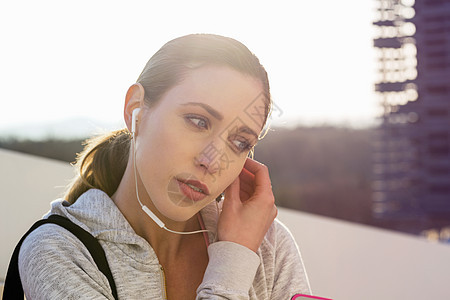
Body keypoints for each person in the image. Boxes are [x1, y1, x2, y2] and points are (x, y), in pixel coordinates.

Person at [18, 34, 311, 299]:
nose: (211, 161)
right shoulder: (59, 251)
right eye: (198, 122)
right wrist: (233, 264)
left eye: (239, 142)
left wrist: (244, 251)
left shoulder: (266, 246)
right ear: (136, 110)